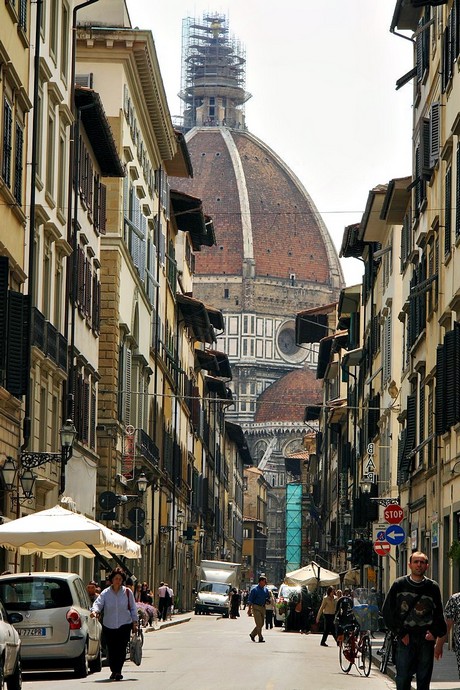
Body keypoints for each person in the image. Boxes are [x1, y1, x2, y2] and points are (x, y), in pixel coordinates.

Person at [382, 551, 446, 690]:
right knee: (403, 678)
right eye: (416, 562)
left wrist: (434, 633)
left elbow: (439, 614)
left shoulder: (432, 587)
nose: (419, 565)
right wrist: (401, 633)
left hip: (425, 639)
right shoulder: (399, 584)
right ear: (410, 565)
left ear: (427, 566)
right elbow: (388, 612)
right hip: (406, 639)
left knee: (424, 680)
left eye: (422, 562)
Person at [90, 567, 138, 682]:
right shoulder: (106, 593)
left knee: (121, 649)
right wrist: (95, 611)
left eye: (120, 579)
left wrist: (134, 622)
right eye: (116, 578)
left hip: (124, 624)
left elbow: (133, 608)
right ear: (112, 579)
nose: (118, 581)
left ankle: (118, 671)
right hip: (109, 625)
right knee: (111, 649)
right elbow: (98, 603)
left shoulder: (127, 592)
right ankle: (113, 670)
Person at [247, 575, 270, 643]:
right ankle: (260, 637)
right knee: (259, 623)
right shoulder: (254, 590)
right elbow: (250, 600)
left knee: (261, 624)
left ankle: (252, 634)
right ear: (260, 582)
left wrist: (268, 600)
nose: (265, 583)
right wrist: (249, 609)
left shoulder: (266, 590)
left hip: (263, 607)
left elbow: (267, 597)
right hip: (256, 607)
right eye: (264, 581)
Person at [444, 591, 460, 679]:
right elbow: (447, 624)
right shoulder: (455, 599)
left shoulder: (456, 599)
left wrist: (438, 645)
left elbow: (447, 624)